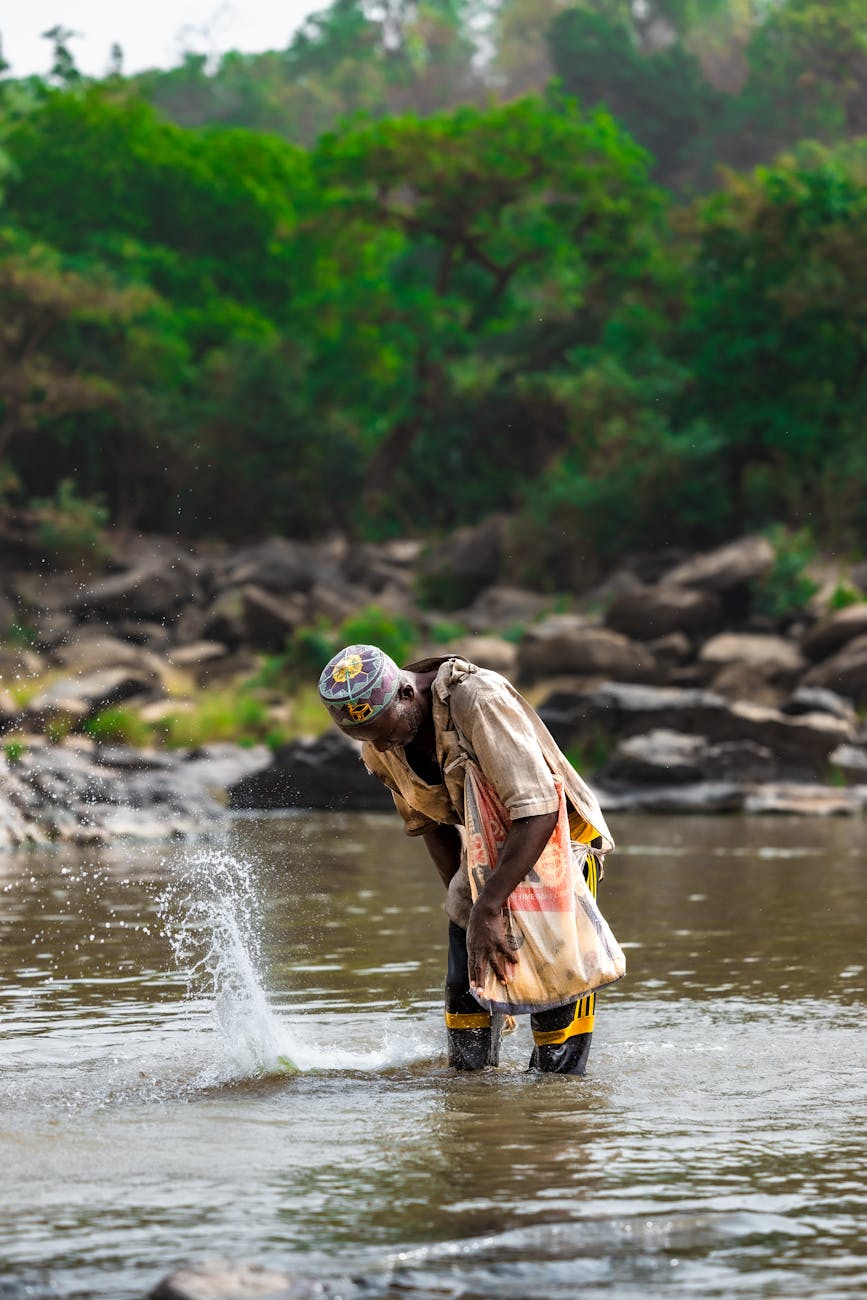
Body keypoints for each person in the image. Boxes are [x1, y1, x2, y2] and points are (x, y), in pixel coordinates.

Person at [317, 644, 615, 1074]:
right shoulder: (379, 744)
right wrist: (474, 915)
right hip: (481, 852)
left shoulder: (477, 699)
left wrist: (489, 906)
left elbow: (538, 809)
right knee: (467, 987)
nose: (381, 745)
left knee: (556, 995)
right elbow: (431, 826)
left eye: (385, 731)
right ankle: (473, 1107)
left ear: (405, 693)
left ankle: (558, 1109)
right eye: (367, 739)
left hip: (555, 844)